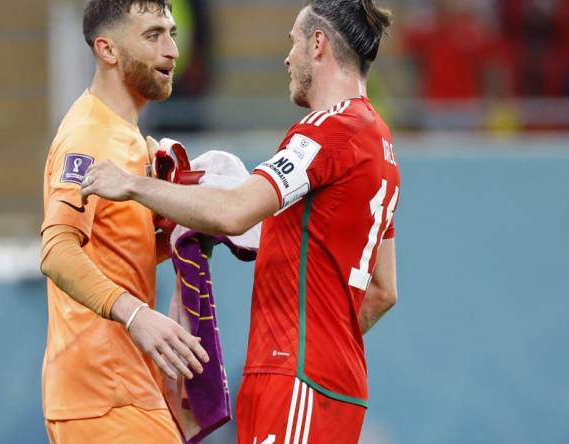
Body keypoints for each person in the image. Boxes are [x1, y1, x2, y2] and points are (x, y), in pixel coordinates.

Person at [81, 1, 399, 443]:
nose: (288, 58)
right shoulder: (380, 143)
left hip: (293, 375)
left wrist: (134, 186)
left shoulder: (326, 132)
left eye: (294, 43)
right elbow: (383, 291)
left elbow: (233, 212)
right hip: (335, 382)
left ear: (318, 45)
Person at [38, 1, 209, 443]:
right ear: (107, 50)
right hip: (104, 389)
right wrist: (137, 315)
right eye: (153, 36)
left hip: (120, 386)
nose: (171, 49)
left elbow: (113, 249)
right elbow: (57, 251)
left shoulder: (124, 134)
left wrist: (181, 230)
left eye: (172, 33)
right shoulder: (89, 136)